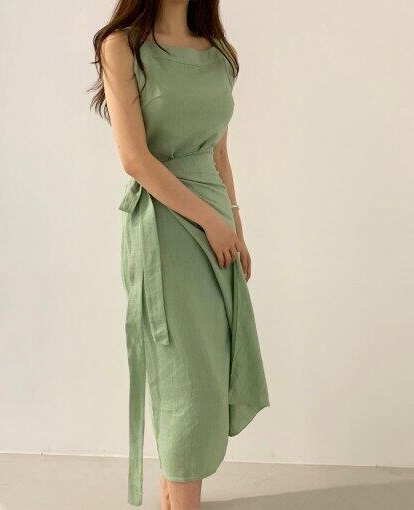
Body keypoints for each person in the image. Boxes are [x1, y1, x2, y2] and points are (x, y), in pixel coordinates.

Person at [90, 1, 269, 508]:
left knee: (209, 366)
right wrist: (212, 222)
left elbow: (218, 153)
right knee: (185, 372)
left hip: (216, 221)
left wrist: (236, 227)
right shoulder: (122, 47)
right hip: (164, 224)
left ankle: (174, 498)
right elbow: (134, 159)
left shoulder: (220, 54)